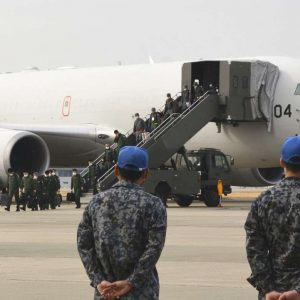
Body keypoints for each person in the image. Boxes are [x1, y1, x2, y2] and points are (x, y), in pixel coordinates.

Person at [77, 146, 167, 300]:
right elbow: (154, 248)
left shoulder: (96, 202)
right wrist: (131, 282)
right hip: (141, 292)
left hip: (106, 292)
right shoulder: (154, 205)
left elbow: (84, 245)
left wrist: (98, 280)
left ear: (116, 170)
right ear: (145, 173)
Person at [245, 136, 300, 300]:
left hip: (273, 292)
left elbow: (254, 250)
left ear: (282, 162)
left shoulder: (263, 200)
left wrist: (268, 289)